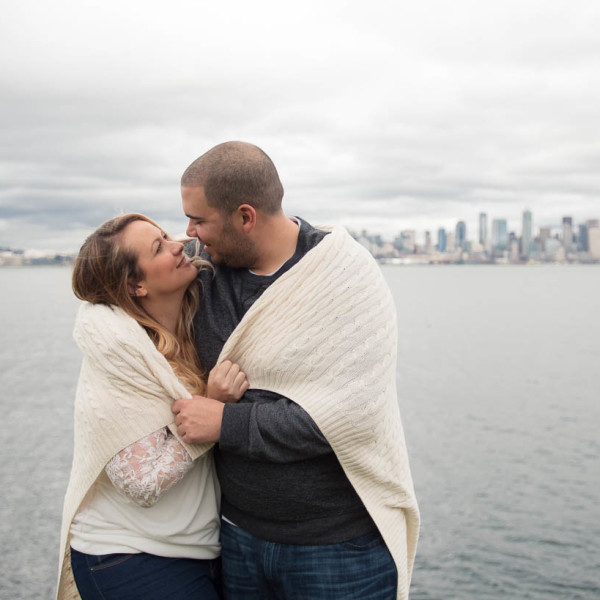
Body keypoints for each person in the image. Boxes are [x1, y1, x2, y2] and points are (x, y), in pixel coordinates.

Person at [172, 141, 420, 600]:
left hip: (339, 549)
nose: (189, 232)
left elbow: (347, 419)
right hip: (235, 536)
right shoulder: (202, 270)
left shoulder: (345, 277)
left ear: (245, 217)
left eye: (200, 220)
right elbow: (121, 286)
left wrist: (225, 421)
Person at [56, 213, 248, 600]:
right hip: (128, 557)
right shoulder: (117, 357)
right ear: (135, 285)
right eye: (159, 247)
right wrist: (212, 409)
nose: (178, 245)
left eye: (165, 234)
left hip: (190, 551)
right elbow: (141, 482)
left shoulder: (190, 331)